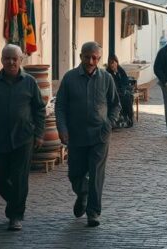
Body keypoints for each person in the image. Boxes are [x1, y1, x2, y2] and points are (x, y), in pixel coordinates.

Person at [0, 44, 46, 231]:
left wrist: (39, 134)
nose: (11, 62)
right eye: (7, 58)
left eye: (14, 59)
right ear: (1, 60)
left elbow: (39, 109)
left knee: (19, 179)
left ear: (21, 60)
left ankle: (16, 215)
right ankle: (15, 202)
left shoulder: (30, 82)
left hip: (23, 138)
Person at [54, 42, 121, 228]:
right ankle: (82, 193)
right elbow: (60, 106)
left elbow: (115, 105)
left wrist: (109, 124)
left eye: (94, 58)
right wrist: (62, 129)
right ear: (81, 56)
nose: (90, 61)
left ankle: (93, 212)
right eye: (87, 57)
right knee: (75, 173)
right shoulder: (69, 78)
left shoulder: (106, 78)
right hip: (76, 136)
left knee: (96, 174)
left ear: (99, 59)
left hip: (100, 135)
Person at [106, 55, 134, 128]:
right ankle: (124, 118)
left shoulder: (120, 70)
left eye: (113, 63)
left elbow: (125, 81)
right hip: (113, 92)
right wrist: (115, 74)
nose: (112, 65)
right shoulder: (108, 72)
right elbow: (112, 85)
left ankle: (129, 117)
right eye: (110, 63)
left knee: (128, 96)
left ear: (116, 62)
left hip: (122, 90)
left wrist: (117, 73)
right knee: (124, 98)